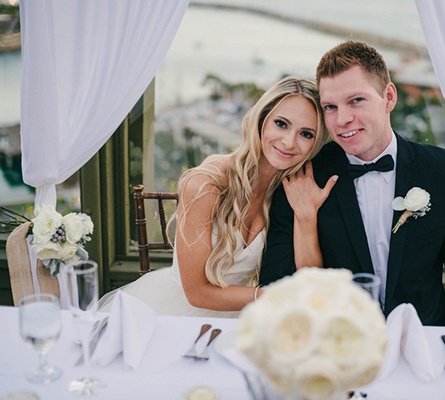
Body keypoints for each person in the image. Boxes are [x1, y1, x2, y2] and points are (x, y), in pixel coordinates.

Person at [259, 41, 445, 327]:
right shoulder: (302, 175)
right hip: (337, 348)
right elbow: (277, 283)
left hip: (422, 343)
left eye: (356, 100)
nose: (343, 119)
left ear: (389, 97)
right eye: (330, 107)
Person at [99, 76, 333, 317]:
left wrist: (307, 216)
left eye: (306, 134)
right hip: (179, 312)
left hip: (242, 312)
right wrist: (273, 296)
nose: (288, 141)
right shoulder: (207, 183)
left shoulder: (291, 191)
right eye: (281, 124)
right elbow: (197, 293)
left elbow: (310, 280)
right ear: (261, 120)